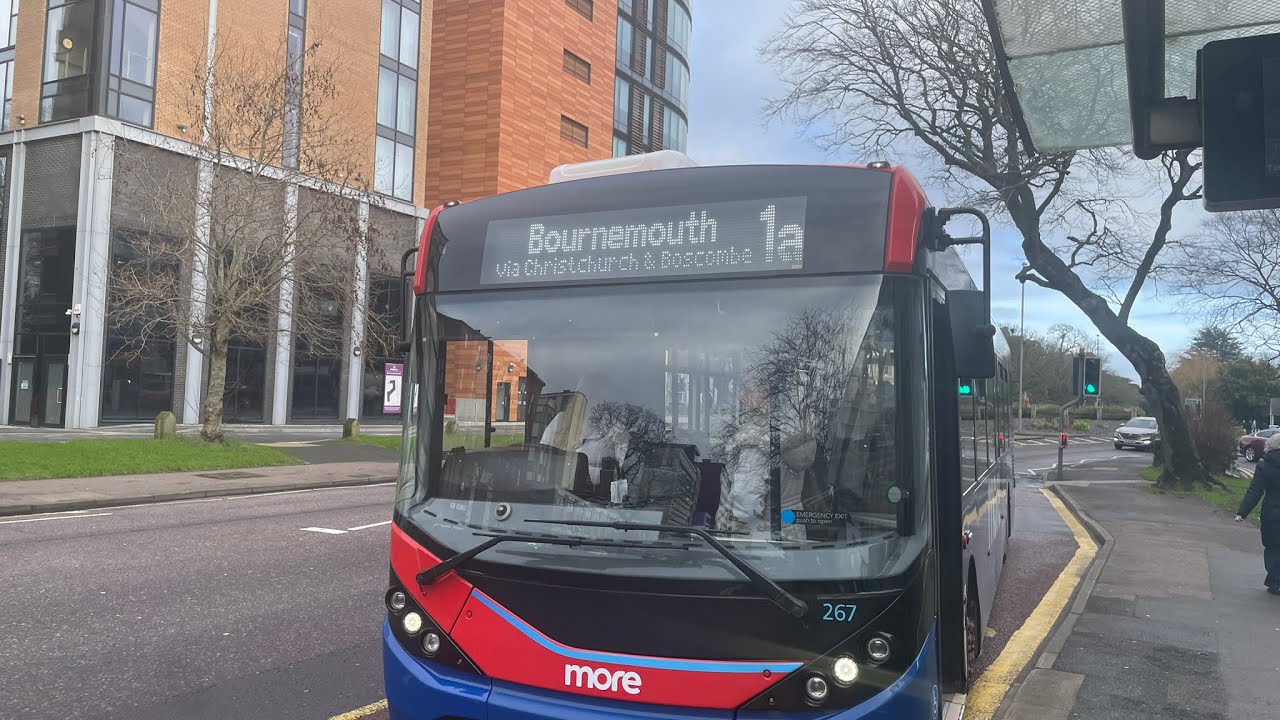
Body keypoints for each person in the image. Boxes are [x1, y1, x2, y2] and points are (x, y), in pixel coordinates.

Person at [1235, 431, 1280, 595]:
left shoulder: (1264, 465)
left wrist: (1242, 512)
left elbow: (1255, 491)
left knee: (1272, 546)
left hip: (1271, 512)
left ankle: (1274, 580)